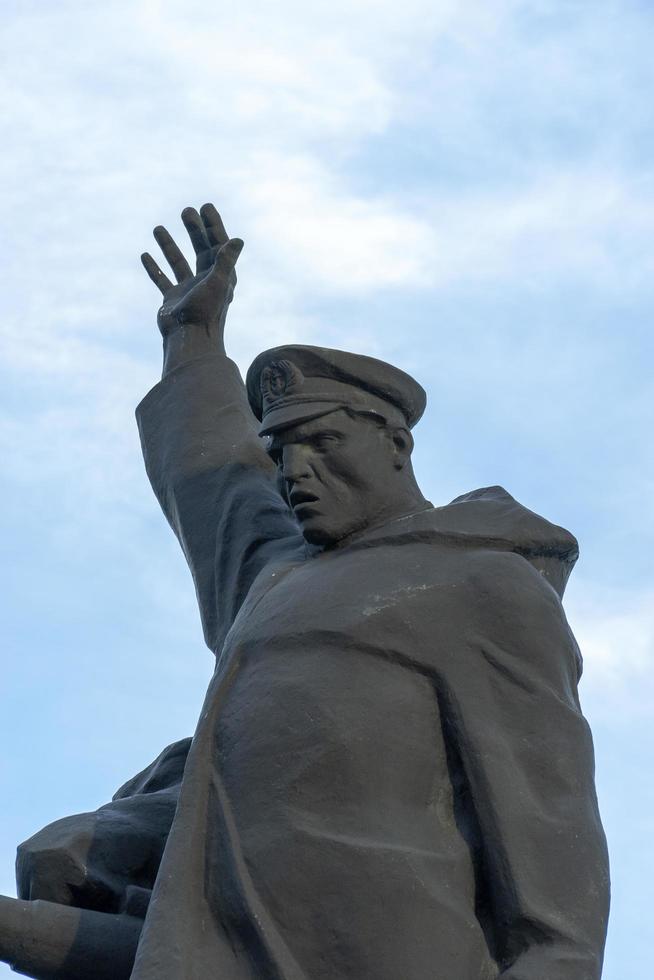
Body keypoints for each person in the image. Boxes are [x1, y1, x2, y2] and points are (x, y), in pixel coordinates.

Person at [0, 203, 609, 980]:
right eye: (282, 453)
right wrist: (192, 344)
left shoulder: (479, 582)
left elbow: (548, 829)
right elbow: (214, 483)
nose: (296, 474)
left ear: (394, 444)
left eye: (322, 444)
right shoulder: (277, 581)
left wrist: (557, 961)